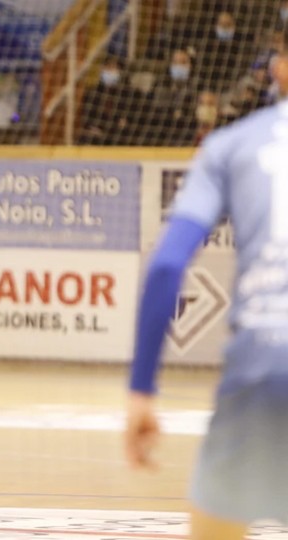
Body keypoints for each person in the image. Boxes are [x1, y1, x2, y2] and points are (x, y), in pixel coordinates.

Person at [125, 28, 288, 540]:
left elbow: (166, 267)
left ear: (277, 68)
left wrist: (141, 390)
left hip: (263, 358)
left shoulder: (230, 145)